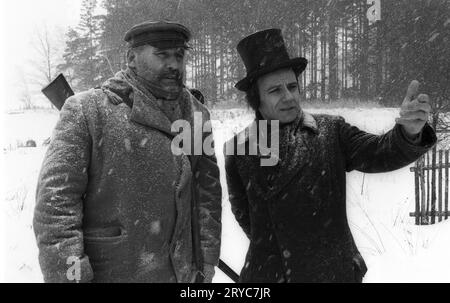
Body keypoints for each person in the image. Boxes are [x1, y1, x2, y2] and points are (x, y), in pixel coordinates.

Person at [224, 28, 436, 283]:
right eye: (275, 90)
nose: (289, 96)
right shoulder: (240, 150)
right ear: (256, 100)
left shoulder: (331, 131)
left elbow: (380, 152)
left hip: (332, 273)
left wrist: (408, 133)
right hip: (270, 275)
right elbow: (245, 216)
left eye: (292, 86)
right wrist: (278, 250)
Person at [33, 20, 222, 283]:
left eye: (179, 55)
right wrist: (71, 277)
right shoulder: (87, 111)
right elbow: (56, 207)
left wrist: (207, 260)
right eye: (162, 55)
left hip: (182, 275)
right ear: (131, 58)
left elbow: (207, 196)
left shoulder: (197, 115)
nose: (174, 65)